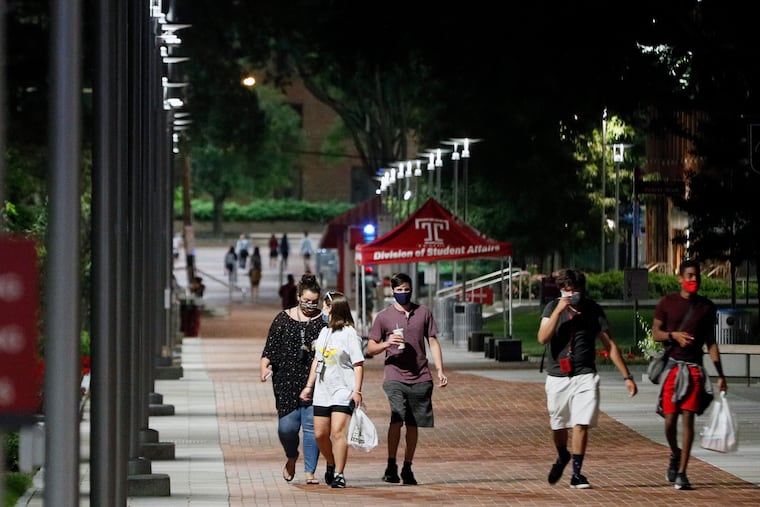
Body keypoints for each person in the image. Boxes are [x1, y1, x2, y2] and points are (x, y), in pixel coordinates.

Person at [537, 268, 637, 490]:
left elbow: (609, 345)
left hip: (585, 374)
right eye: (566, 290)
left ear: (582, 290)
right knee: (558, 424)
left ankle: (577, 473)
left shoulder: (592, 310)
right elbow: (542, 337)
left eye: (574, 290)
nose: (570, 294)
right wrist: (559, 310)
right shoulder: (553, 307)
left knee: (581, 422)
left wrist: (627, 376)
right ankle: (563, 455)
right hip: (557, 376)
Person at [366, 272, 448, 486]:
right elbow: (371, 348)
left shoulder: (423, 313)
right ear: (392, 291)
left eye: (406, 289)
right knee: (397, 417)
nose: (403, 293)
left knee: (413, 424)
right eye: (399, 290)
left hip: (421, 375)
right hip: (394, 375)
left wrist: (439, 369)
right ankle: (391, 464)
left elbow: (433, 341)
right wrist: (387, 343)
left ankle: (407, 467)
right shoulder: (383, 317)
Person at [651, 259, 727, 491]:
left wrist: (720, 374)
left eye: (697, 276)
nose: (694, 280)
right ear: (680, 278)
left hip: (694, 369)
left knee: (688, 419)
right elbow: (656, 333)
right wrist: (674, 336)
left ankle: (683, 472)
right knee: (669, 422)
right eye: (690, 276)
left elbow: (711, 341)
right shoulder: (667, 302)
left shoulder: (706, 307)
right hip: (673, 369)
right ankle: (676, 453)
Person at [260, 274, 326, 485]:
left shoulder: (323, 322)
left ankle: (310, 472)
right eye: (306, 301)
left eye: (314, 302)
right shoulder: (282, 319)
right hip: (286, 383)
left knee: (311, 428)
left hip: (315, 383)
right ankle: (291, 456)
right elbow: (268, 351)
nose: (310, 305)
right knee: (286, 429)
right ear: (298, 297)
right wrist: (264, 367)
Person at [299, 291, 365, 488]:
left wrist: (357, 390)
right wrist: (308, 387)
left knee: (338, 432)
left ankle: (339, 474)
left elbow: (359, 363)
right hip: (322, 390)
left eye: (326, 307)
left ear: (334, 309)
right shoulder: (324, 332)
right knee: (320, 434)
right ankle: (331, 461)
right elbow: (317, 361)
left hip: (343, 390)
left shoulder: (350, 334)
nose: (323, 310)